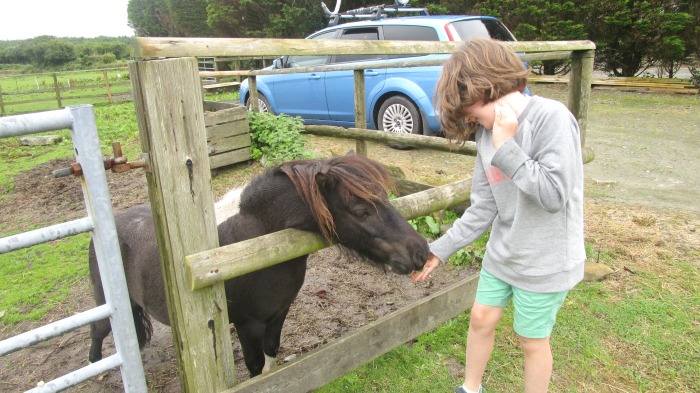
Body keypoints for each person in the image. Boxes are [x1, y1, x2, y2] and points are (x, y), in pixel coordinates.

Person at [411, 37, 585, 393]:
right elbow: (484, 206)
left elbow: (553, 196)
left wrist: (508, 147)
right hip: (503, 253)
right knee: (480, 317)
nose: (470, 119)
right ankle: (470, 388)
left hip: (545, 260)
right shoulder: (488, 135)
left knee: (530, 339)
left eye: (470, 110)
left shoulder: (552, 119)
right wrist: (440, 248)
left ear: (488, 86)